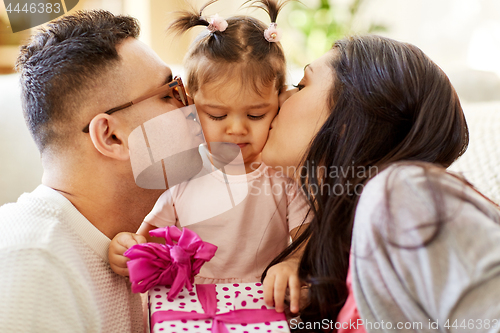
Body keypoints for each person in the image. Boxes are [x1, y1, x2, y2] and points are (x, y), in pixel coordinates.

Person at [261, 34, 500, 332]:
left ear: (349, 118)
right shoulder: (351, 241)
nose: (279, 96)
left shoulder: (400, 192)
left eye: (301, 85)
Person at [108, 1, 309, 311]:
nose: (237, 129)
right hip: (190, 306)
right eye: (217, 115)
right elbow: (149, 240)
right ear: (191, 104)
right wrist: (127, 248)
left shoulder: (282, 175)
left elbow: (308, 236)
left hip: (262, 305)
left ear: (279, 103)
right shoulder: (181, 169)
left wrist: (294, 263)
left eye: (256, 115)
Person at [0, 10, 189, 332]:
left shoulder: (153, 240)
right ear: (111, 136)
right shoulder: (31, 265)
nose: (192, 106)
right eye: (169, 92)